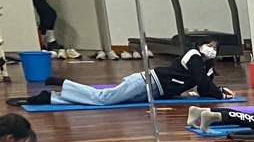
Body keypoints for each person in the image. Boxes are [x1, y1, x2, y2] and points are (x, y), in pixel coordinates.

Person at [7, 37, 234, 108]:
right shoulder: (193, 56)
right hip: (146, 82)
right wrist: (216, 92)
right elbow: (202, 82)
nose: (211, 50)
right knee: (103, 99)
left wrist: (221, 91)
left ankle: (51, 98)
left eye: (215, 48)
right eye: (209, 45)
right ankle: (62, 83)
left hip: (155, 92)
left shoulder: (207, 66)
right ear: (199, 46)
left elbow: (206, 87)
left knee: (105, 100)